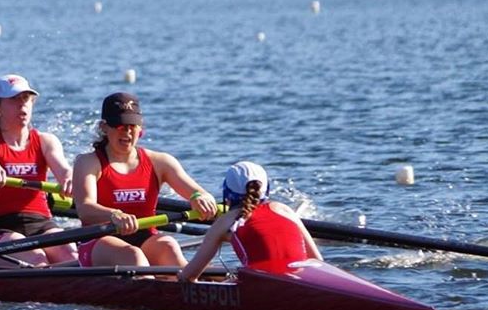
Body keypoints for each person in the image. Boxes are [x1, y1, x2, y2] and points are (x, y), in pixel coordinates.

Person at [73, 91, 218, 270]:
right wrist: (114, 215)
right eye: (119, 125)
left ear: (141, 129)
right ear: (104, 127)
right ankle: (154, 289)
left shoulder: (160, 162)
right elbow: (85, 209)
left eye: (132, 126)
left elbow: (198, 192)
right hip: (99, 241)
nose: (126, 131)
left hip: (145, 238)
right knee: (133, 256)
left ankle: (191, 286)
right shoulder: (88, 162)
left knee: (169, 246)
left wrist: (199, 197)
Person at [0, 74, 74, 265]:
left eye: (26, 99)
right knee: (37, 259)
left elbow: (64, 169)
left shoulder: (46, 141)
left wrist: (69, 178)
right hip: (0, 228)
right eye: (14, 100)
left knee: (71, 256)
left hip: (41, 223)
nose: (22, 105)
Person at [179, 161, 323, 282]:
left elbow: (188, 276)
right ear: (266, 190)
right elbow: (318, 262)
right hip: (303, 281)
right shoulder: (284, 210)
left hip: (265, 286)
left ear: (227, 193)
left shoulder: (226, 221)